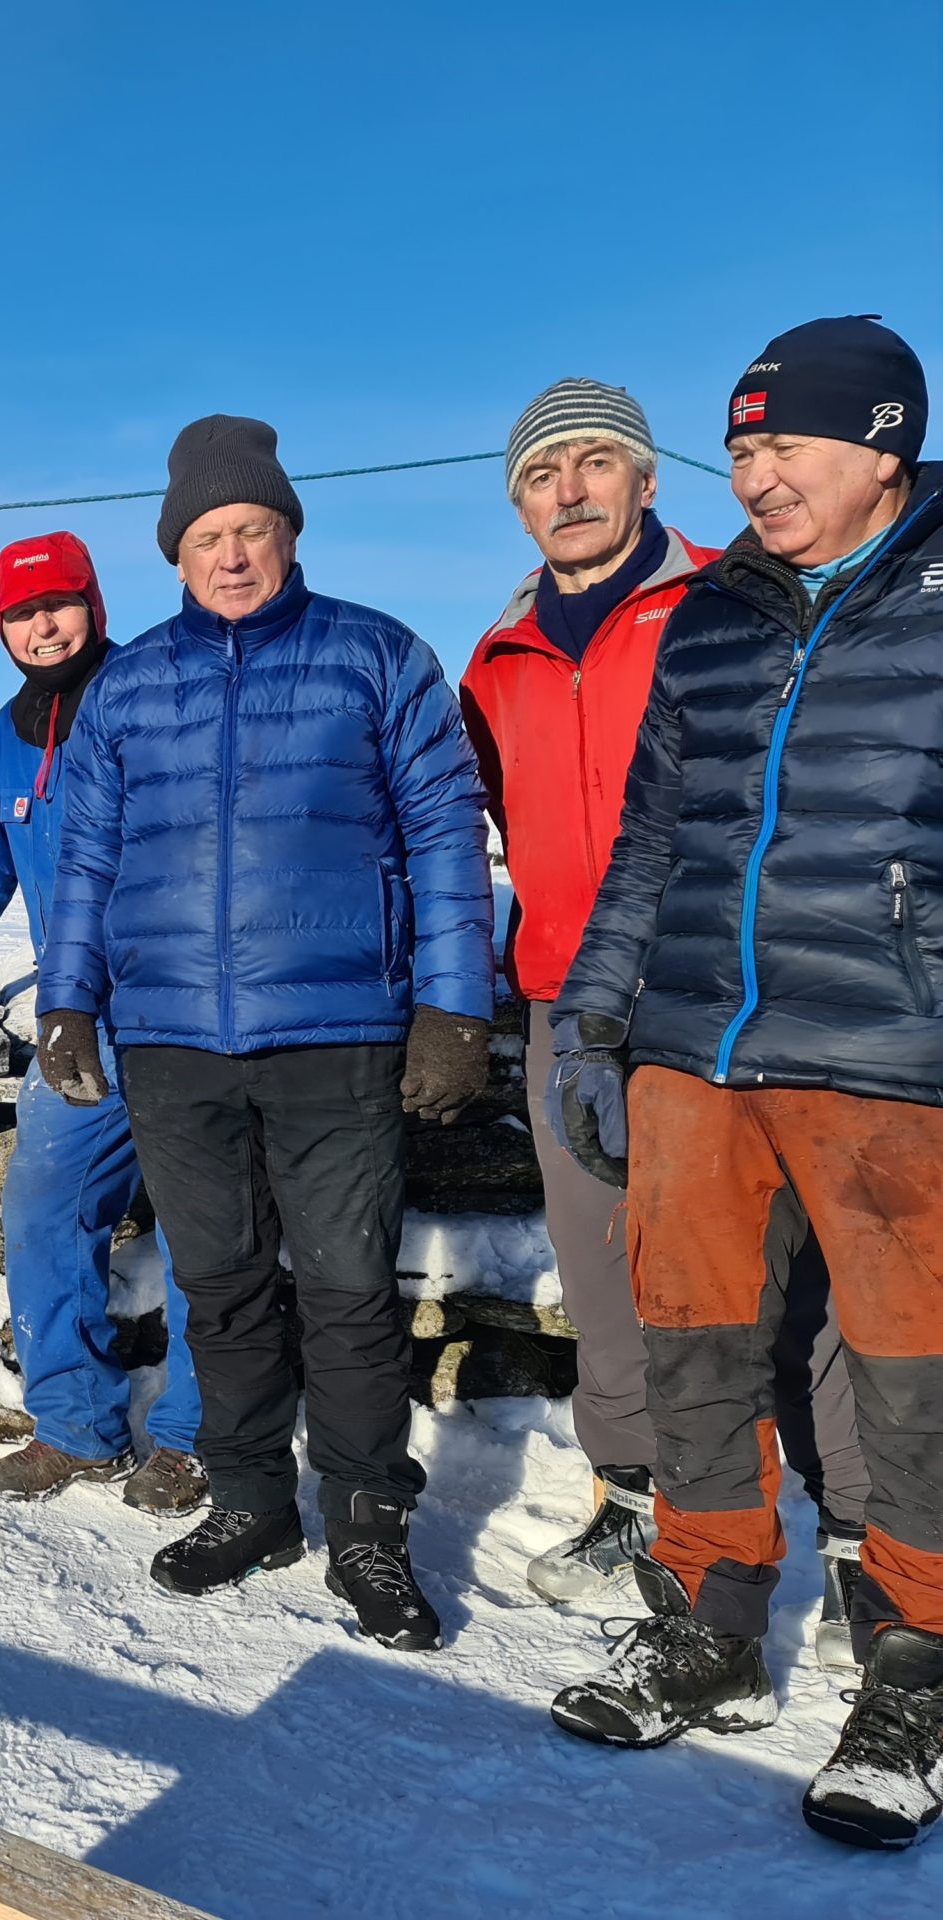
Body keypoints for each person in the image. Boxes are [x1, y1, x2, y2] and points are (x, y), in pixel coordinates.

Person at [543, 318, 943, 1851]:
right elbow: (655, 836)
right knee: (694, 1350)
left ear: (884, 447)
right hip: (697, 1049)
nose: (757, 477)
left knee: (914, 1379)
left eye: (784, 446)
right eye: (741, 451)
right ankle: (710, 1624)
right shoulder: (712, 613)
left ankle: (915, 1668)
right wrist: (595, 1021)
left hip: (891, 1054)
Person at [36, 416, 496, 1652]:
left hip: (336, 1030)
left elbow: (444, 832)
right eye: (206, 537)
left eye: (251, 530)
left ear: (287, 534)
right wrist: (67, 994)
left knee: (346, 1293)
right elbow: (86, 857)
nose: (230, 556)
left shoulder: (374, 656)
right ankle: (249, 1502)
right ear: (174, 553)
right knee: (222, 1291)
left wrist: (455, 1003)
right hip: (172, 1038)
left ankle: (364, 1525)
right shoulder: (129, 686)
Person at [462, 379, 869, 1648]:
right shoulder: (496, 659)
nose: (568, 490)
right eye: (541, 475)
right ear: (519, 507)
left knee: (794, 1276)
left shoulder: (734, 603)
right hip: (563, 999)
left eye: (594, 462)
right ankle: (636, 1501)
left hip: (724, 988)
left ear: (646, 478)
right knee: (600, 1267)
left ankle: (858, 1539)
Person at [0, 533, 206, 1513]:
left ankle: (197, 1437)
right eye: (21, 614)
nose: (42, 627)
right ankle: (76, 1427)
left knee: (206, 1225)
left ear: (94, 606)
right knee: (41, 1206)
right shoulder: (6, 734)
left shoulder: (156, 693)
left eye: (58, 606)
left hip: (188, 1008)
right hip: (79, 1023)